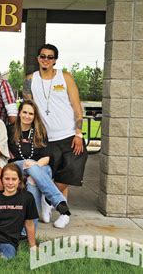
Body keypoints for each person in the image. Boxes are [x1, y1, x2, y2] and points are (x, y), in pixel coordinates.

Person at [23, 43, 87, 229]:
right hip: (45, 137)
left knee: (69, 173)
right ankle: (64, 214)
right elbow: (29, 109)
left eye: (50, 57)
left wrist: (78, 133)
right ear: (38, 58)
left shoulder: (65, 77)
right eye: (42, 56)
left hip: (68, 134)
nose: (46, 60)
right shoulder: (30, 80)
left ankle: (48, 201)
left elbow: (76, 105)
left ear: (55, 60)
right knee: (57, 173)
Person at [8, 100, 70, 227]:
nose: (27, 116)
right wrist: (28, 163)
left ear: (35, 116)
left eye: (31, 114)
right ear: (19, 113)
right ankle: (60, 203)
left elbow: (46, 158)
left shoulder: (39, 131)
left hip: (41, 166)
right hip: (18, 166)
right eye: (24, 112)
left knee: (33, 179)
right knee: (29, 166)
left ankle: (29, 230)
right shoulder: (11, 130)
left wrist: (33, 165)